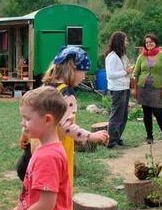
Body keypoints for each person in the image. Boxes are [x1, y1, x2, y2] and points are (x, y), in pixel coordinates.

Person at [34, 46, 108, 190]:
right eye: (83, 72)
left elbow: (33, 113)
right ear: (72, 69)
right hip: (57, 150)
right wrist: (90, 136)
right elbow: (66, 126)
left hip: (39, 146)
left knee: (41, 187)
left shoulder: (45, 87)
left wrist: (25, 136)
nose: (84, 77)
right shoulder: (67, 94)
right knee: (58, 190)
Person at [132, 33, 162, 144]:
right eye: (146, 42)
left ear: (155, 42)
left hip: (157, 88)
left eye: (151, 41)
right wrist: (134, 89)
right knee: (146, 113)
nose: (149, 44)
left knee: (158, 113)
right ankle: (149, 137)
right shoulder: (141, 56)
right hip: (143, 88)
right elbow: (136, 73)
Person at [105, 31, 134, 148]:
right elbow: (111, 74)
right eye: (125, 40)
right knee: (116, 115)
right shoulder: (112, 57)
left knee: (123, 115)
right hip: (117, 89)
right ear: (120, 41)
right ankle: (111, 141)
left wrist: (129, 70)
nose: (127, 42)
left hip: (124, 87)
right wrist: (126, 71)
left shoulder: (122, 56)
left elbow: (126, 68)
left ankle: (117, 138)